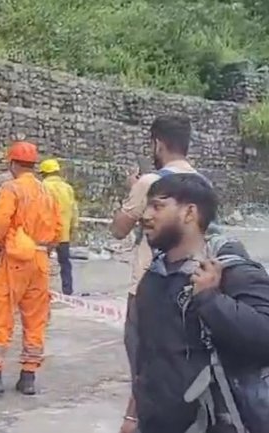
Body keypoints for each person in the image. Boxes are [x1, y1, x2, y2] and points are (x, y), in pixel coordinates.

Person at [133, 173, 269, 433]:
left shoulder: (232, 272)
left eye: (158, 206)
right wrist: (133, 416)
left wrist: (210, 300)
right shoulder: (153, 277)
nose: (146, 215)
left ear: (189, 213)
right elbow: (146, 357)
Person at [109, 115, 201, 432]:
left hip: (149, 286)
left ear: (157, 143)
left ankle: (137, 420)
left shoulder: (151, 183)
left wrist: (133, 192)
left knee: (145, 359)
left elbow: (119, 229)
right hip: (190, 283)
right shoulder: (202, 183)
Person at [0, 141, 61, 397]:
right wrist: (46, 249)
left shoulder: (11, 188)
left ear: (12, 164)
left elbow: (0, 223)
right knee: (35, 319)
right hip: (41, 260)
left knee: (1, 316)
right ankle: (28, 376)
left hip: (15, 259)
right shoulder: (48, 192)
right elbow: (58, 230)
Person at [40, 158, 79, 295]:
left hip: (46, 233)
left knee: (42, 262)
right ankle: (67, 290)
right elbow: (74, 210)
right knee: (65, 263)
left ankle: (41, 289)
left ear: (44, 173)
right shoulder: (67, 188)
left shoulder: (42, 186)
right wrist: (73, 227)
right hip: (64, 233)